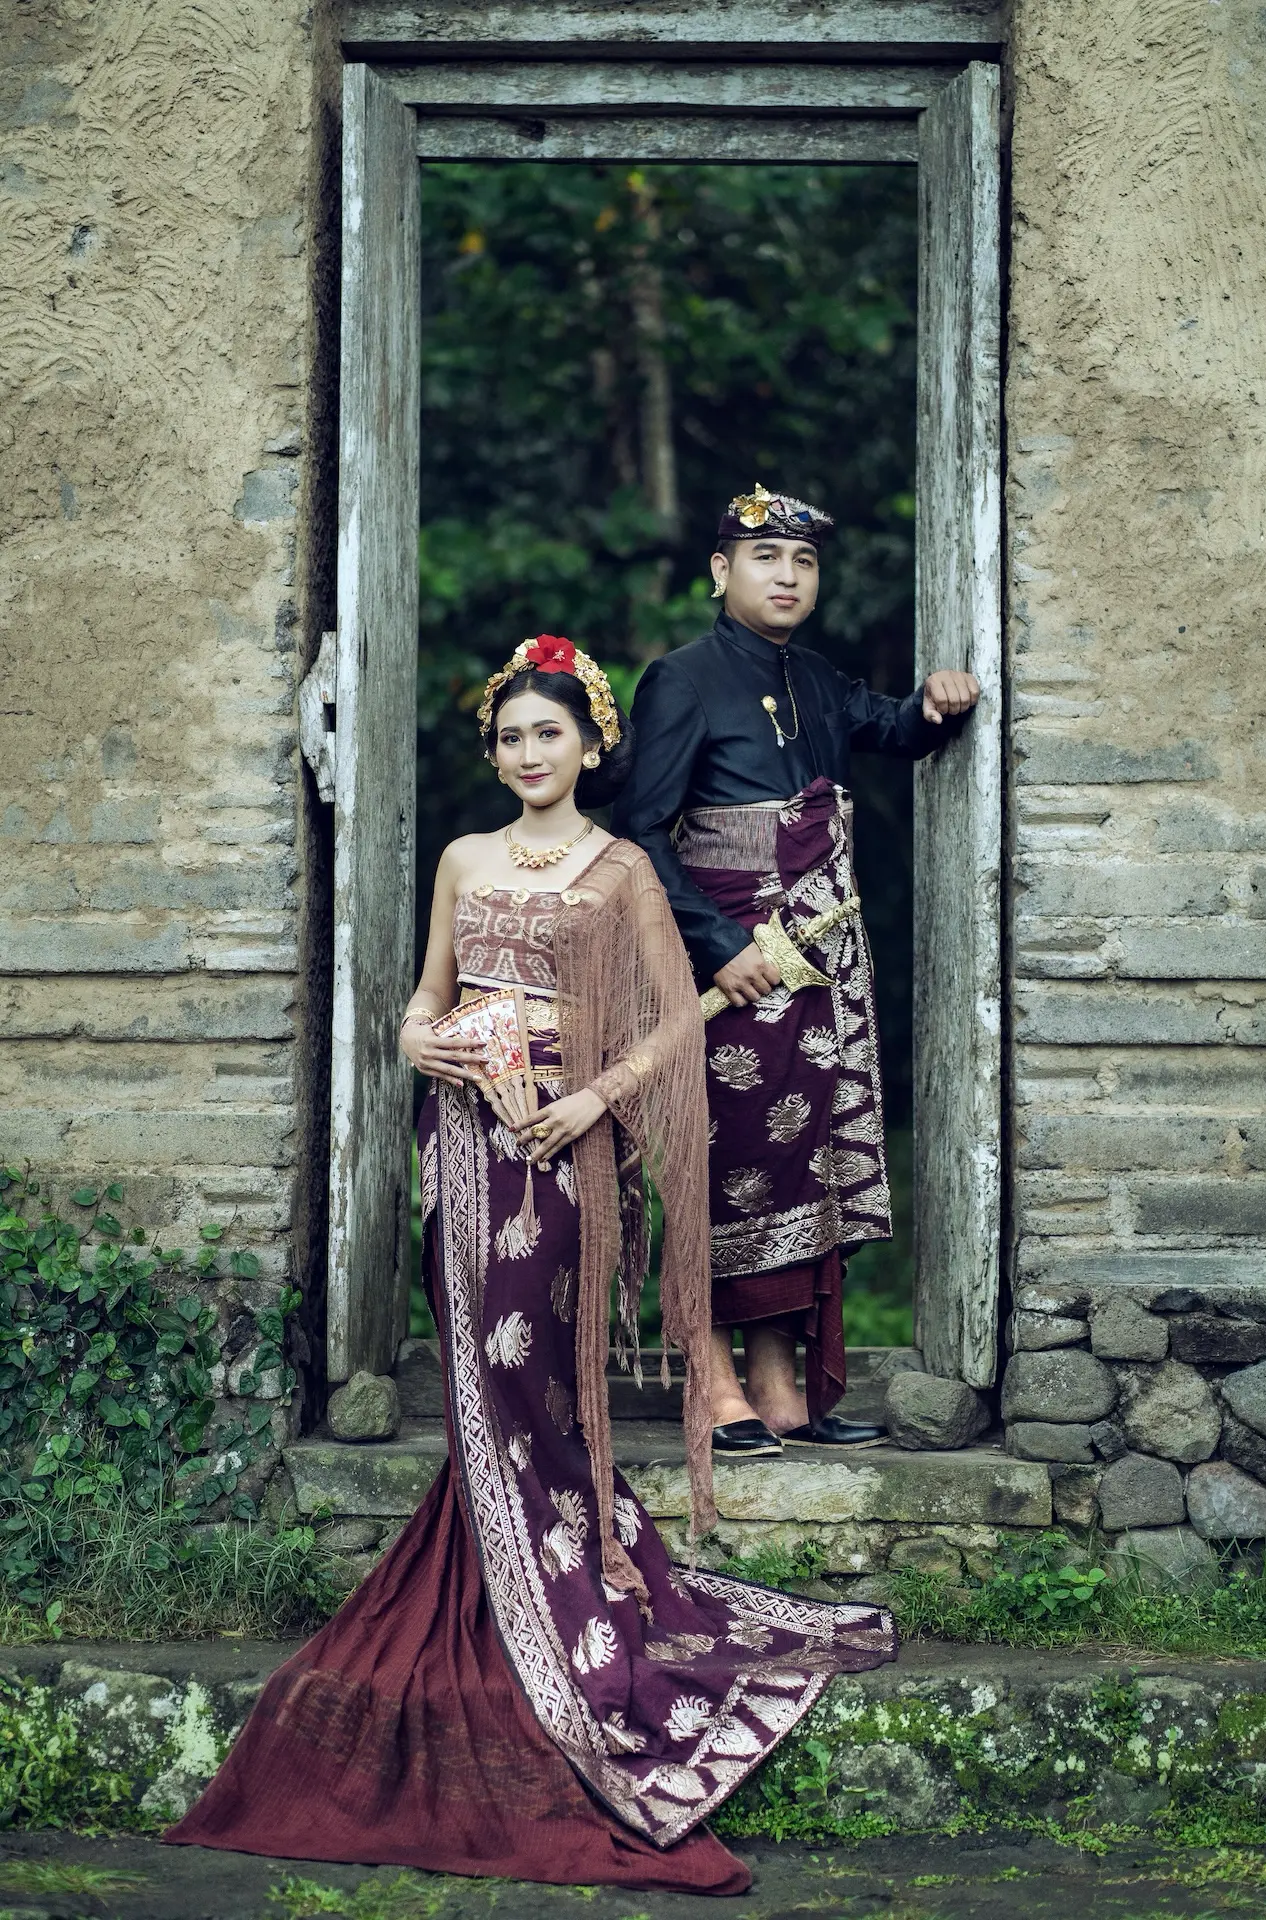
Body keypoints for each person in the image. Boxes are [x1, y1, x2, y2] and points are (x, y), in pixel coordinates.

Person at [166, 632, 896, 1893]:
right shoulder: (463, 857)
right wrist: (420, 1042)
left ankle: (552, 1578)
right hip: (463, 1137)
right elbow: (423, 999)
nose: (525, 753)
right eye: (508, 737)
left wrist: (593, 1100)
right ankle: (500, 1575)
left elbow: (671, 1029)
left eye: (546, 733)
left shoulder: (624, 873)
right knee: (479, 1364)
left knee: (528, 1365)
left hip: (566, 1147)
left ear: (591, 744)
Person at [614, 486, 980, 1459]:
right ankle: (712, 1383)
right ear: (719, 571)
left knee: (799, 1168)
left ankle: (780, 1388)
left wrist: (936, 701)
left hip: (819, 974)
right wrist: (717, 943)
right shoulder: (680, 679)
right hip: (727, 970)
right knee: (724, 1167)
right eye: (765, 557)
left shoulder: (815, 679)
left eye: (803, 562)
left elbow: (894, 727)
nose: (786, 576)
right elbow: (640, 830)